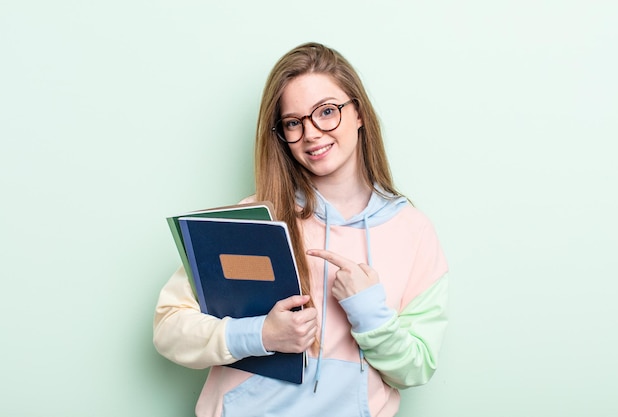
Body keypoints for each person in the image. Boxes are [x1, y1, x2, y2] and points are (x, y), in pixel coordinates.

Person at [153, 42, 449, 417]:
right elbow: (169, 329)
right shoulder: (252, 220)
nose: (312, 134)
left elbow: (416, 368)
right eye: (294, 122)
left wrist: (369, 312)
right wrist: (261, 334)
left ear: (358, 112)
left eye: (327, 112)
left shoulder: (413, 231)